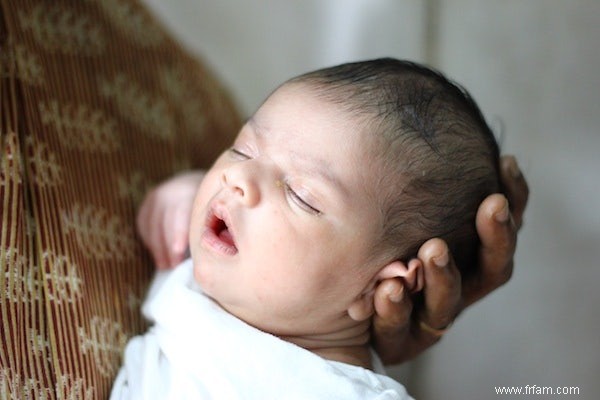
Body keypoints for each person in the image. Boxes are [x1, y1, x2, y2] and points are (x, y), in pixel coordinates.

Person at [113, 58, 529, 399]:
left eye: (301, 196)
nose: (237, 179)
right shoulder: (211, 272)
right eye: (242, 148)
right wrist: (185, 192)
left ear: (378, 289)